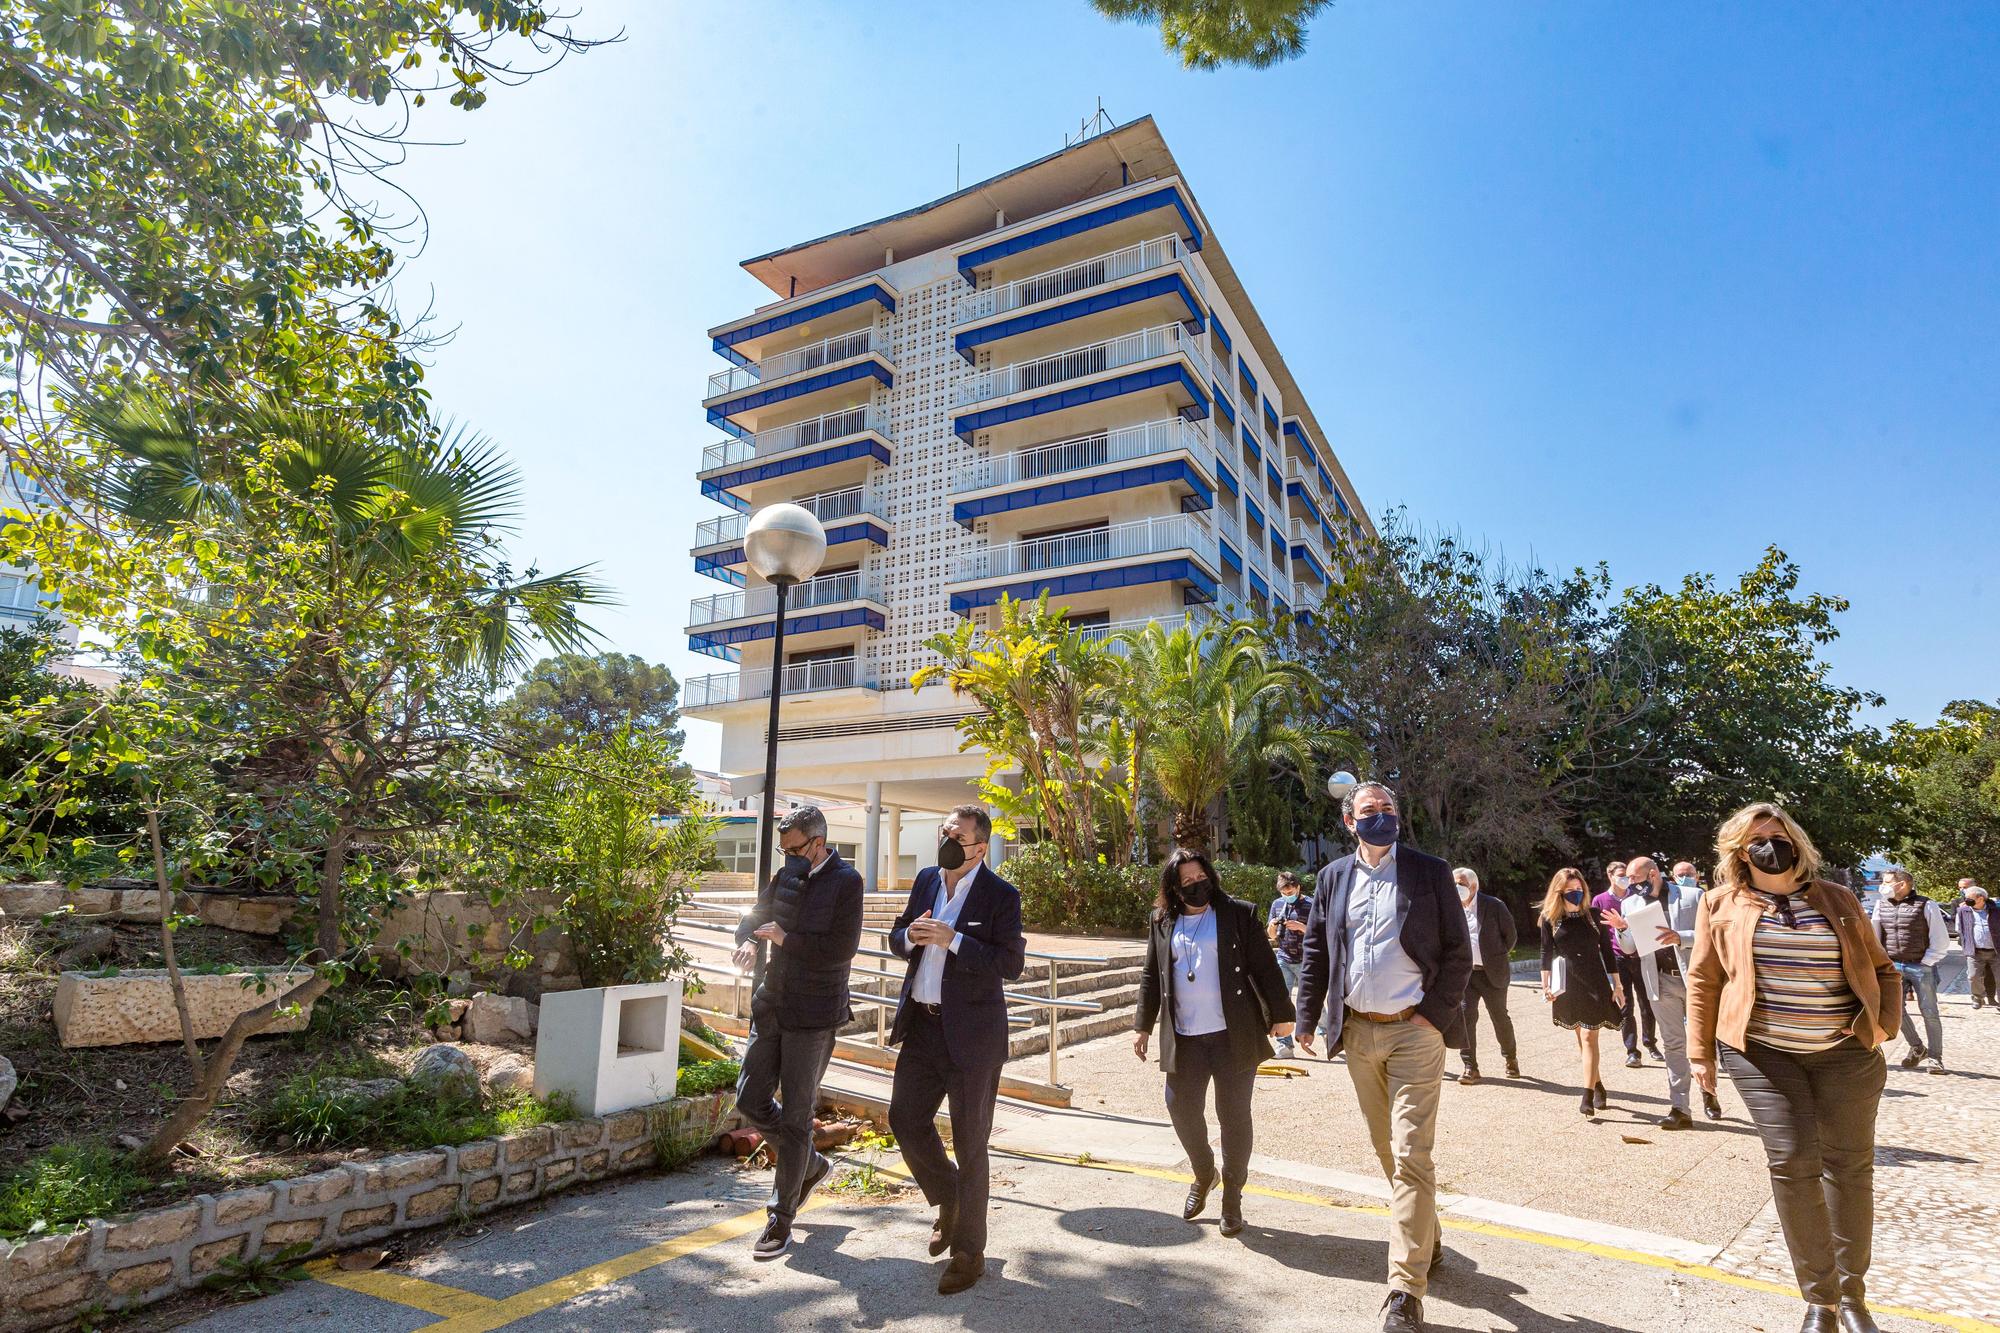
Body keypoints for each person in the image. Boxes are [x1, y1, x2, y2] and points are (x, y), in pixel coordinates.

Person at [1687, 801, 1901, 1333]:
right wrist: (1700, 1054)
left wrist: (1882, 1027)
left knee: (1849, 1169)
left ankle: (1853, 1296)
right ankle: (1820, 1299)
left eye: (1777, 833)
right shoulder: (1720, 904)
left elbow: (1884, 969)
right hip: (1761, 1053)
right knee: (1793, 1159)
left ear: (1796, 842)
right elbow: (1704, 981)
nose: (1768, 843)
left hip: (1845, 1052)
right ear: (1739, 850)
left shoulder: (1839, 899)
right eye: (1756, 837)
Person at [1296, 782, 1471, 1333]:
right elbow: (1318, 949)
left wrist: (1432, 1017)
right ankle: (1428, 1241)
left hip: (1415, 1032)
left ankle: (1404, 1291)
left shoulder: (1429, 870)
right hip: (1358, 1033)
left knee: (1410, 1153)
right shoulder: (1332, 878)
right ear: (1350, 822)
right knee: (1386, 1152)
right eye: (1370, 811)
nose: (1381, 817)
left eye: (1389, 809)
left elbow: (1457, 952)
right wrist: (1306, 1016)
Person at [885, 805, 1026, 1296]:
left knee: (971, 1144)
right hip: (922, 1030)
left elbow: (1011, 963)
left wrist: (955, 940)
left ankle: (970, 1252)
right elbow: (896, 937)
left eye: (956, 834)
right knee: (903, 1119)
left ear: (979, 847)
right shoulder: (926, 879)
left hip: (972, 1038)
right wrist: (911, 936)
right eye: (943, 830)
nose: (946, 838)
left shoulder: (1001, 895)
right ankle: (950, 1196)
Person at [1135, 848, 1293, 1237]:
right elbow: (1151, 975)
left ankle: (1232, 1198)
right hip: (1184, 1036)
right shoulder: (1161, 920)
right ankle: (1204, 1172)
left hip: (1232, 1035)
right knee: (1180, 1108)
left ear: (1211, 875)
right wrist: (1142, 1025)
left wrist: (1282, 1013)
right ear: (1173, 887)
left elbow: (1265, 967)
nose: (1195, 885)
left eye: (1200, 876)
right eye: (1186, 881)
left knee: (1233, 1115)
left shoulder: (1239, 914)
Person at [731, 805, 864, 1261]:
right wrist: (749, 939)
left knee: (796, 1115)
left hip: (816, 1012)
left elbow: (842, 948)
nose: (788, 857)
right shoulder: (785, 874)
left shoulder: (847, 882)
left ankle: (780, 1218)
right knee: (748, 1099)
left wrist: (787, 940)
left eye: (795, 849)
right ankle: (810, 1163)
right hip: (772, 1004)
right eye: (783, 849)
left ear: (819, 841)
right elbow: (754, 915)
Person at [1612, 856, 1711, 1128]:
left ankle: (1708, 1090)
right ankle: (1681, 1108)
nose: (1630, 884)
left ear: (1653, 874)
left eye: (1635, 878)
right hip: (1659, 981)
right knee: (1673, 1044)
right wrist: (1622, 930)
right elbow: (1631, 948)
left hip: (1695, 980)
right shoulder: (1630, 903)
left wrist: (1682, 937)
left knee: (1705, 1040)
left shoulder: (1693, 896)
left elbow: (1713, 933)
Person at [1538, 867, 1624, 1116]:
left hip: (1595, 981)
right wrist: (1546, 985)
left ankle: (1586, 1095)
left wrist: (1617, 985)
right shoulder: (1549, 918)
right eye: (1569, 891)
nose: (1575, 894)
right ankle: (1597, 1083)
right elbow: (1546, 954)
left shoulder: (1593, 915)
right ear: (1558, 892)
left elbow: (1608, 952)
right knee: (1580, 1036)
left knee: (1589, 1037)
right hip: (1568, 983)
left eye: (1579, 889)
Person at [1868, 869, 1947, 1074]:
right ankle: (1918, 1047)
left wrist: (1927, 962)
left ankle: (1935, 1058)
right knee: (1896, 1011)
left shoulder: (1926, 904)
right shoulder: (1880, 905)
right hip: (1893, 966)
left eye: (1887, 882)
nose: (1883, 886)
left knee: (1930, 1012)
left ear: (1902, 884)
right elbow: (1875, 938)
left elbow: (1940, 938)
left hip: (1921, 966)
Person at [1453, 867, 1519, 1084]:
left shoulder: (1493, 905)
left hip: (1492, 973)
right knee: (1466, 1018)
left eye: (1461, 884)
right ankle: (1470, 1066)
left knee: (1500, 1017)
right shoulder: (1451, 907)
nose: (1457, 888)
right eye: (1454, 883)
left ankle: (1510, 1058)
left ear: (1473, 886)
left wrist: (1495, 956)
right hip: (1466, 975)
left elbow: (1510, 936)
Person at [1593, 860, 1658, 1067]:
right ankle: (1632, 1050)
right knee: (1625, 1005)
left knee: (1647, 1003)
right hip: (1617, 958)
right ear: (1610, 875)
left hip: (1640, 955)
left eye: (1629, 876)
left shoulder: (1636, 897)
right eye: (1621, 875)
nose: (1626, 880)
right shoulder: (1600, 900)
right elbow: (1596, 932)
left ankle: (1650, 1043)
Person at [1267, 870, 1312, 1057]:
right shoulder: (1277, 905)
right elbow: (1271, 936)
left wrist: (1302, 927)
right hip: (1283, 958)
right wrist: (1272, 927)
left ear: (1298, 887)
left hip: (1306, 960)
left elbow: (1322, 932)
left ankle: (1325, 1033)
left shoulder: (1312, 904)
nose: (1287, 896)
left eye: (1290, 893)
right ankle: (1284, 1045)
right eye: (1284, 894)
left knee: (1309, 1001)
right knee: (1281, 1000)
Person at [1958, 884, 2000, 1009]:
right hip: (1975, 951)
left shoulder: (1996, 910)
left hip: (1996, 951)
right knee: (1973, 976)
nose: (1966, 901)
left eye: (1970, 898)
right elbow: (1960, 929)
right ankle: (1978, 997)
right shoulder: (1963, 911)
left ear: (1981, 898)